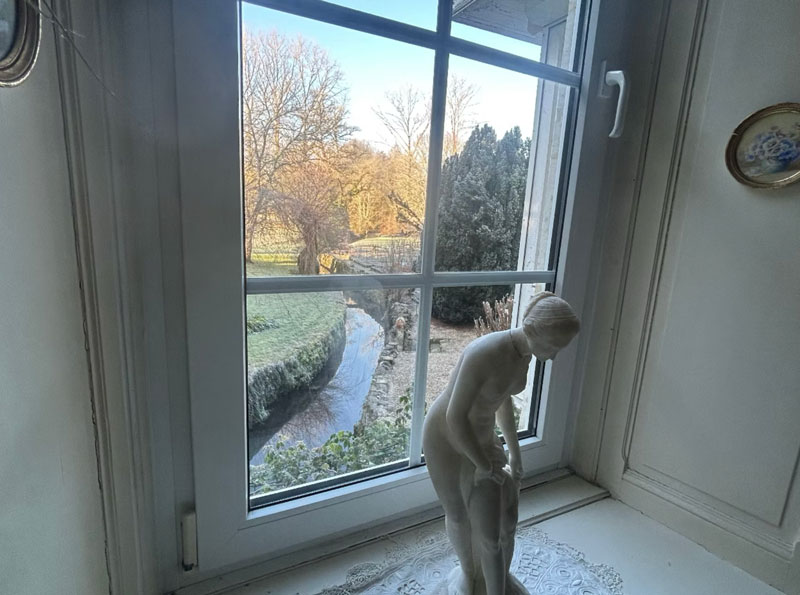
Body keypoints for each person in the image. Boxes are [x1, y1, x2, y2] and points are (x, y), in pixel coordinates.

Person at [422, 292, 580, 595]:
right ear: (535, 332)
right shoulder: (483, 352)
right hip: (444, 435)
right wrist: (482, 465)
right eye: (555, 347)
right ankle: (469, 577)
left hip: (478, 432)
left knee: (494, 515)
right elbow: (455, 416)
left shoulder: (523, 355)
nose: (556, 355)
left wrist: (515, 451)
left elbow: (501, 402)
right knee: (457, 512)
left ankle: (493, 579)